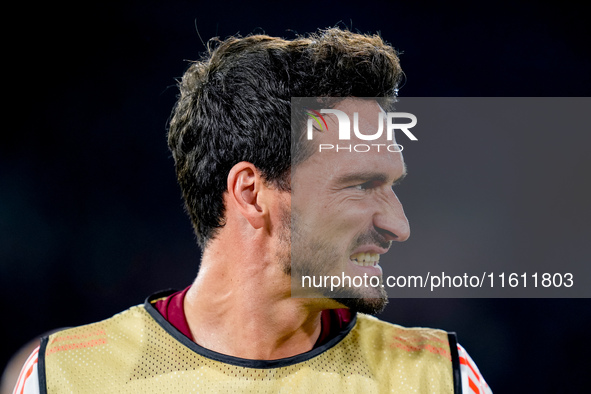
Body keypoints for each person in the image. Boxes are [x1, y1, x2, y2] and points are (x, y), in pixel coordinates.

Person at [13, 27, 491, 393]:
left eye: (390, 186)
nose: (398, 225)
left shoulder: (437, 376)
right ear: (250, 192)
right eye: (360, 185)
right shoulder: (67, 376)